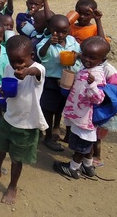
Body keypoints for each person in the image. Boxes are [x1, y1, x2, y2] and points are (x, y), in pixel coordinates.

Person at [0, 35, 48, 205]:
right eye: (13, 60)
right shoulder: (10, 67)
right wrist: (4, 92)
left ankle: (12, 186)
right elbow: (10, 86)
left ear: (31, 55)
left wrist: (27, 71)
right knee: (0, 147)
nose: (17, 65)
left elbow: (36, 72)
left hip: (26, 123)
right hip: (9, 116)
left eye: (21, 61)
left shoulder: (37, 69)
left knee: (17, 158)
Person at [53, 37, 108, 179]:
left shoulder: (97, 76)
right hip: (80, 114)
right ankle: (88, 166)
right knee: (87, 143)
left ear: (102, 60)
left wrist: (92, 85)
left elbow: (98, 99)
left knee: (82, 145)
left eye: (92, 58)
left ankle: (73, 168)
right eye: (84, 55)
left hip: (85, 118)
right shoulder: (87, 68)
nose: (86, 60)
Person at [36, 14, 81, 151]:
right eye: (56, 31)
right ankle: (48, 136)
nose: (60, 34)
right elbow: (41, 54)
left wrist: (76, 55)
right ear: (50, 28)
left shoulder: (72, 41)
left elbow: (80, 53)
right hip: (51, 81)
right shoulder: (45, 42)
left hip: (68, 80)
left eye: (64, 31)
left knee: (62, 107)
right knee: (49, 109)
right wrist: (49, 42)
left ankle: (57, 128)